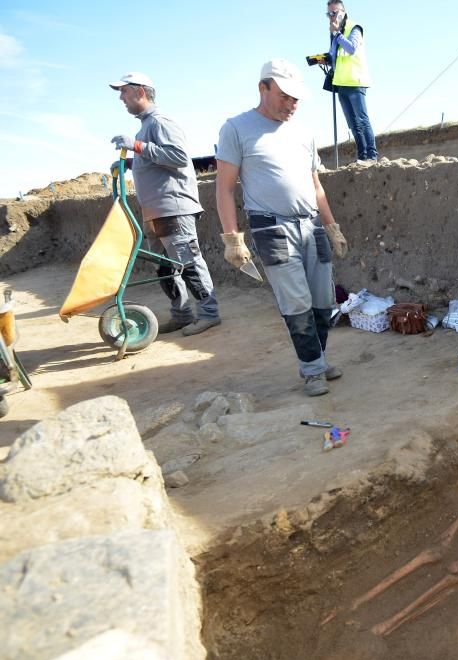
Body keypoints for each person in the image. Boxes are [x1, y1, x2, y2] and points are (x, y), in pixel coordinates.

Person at [215, 59, 350, 397]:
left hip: (312, 225)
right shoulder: (237, 129)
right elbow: (224, 188)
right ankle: (313, 371)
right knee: (297, 302)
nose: (291, 105)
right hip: (271, 228)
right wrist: (232, 238)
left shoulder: (304, 133)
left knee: (322, 301)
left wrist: (332, 227)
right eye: (285, 97)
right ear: (263, 88)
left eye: (296, 99)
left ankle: (316, 357)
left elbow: (316, 185)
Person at [109, 72, 220, 336]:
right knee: (164, 267)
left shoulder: (160, 122)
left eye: (123, 92)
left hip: (173, 206)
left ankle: (209, 313)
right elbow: (156, 158)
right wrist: (132, 161)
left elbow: (179, 157)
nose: (121, 98)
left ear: (140, 92)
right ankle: (181, 314)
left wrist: (137, 146)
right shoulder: (146, 126)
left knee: (188, 262)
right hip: (156, 210)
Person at [324, 0, 378, 162]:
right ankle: (362, 156)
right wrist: (324, 59)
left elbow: (352, 48)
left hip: (355, 81)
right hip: (341, 84)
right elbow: (335, 56)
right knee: (352, 124)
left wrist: (337, 35)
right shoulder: (335, 34)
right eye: (328, 14)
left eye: (334, 13)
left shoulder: (354, 28)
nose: (331, 17)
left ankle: (372, 155)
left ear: (343, 12)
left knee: (362, 120)